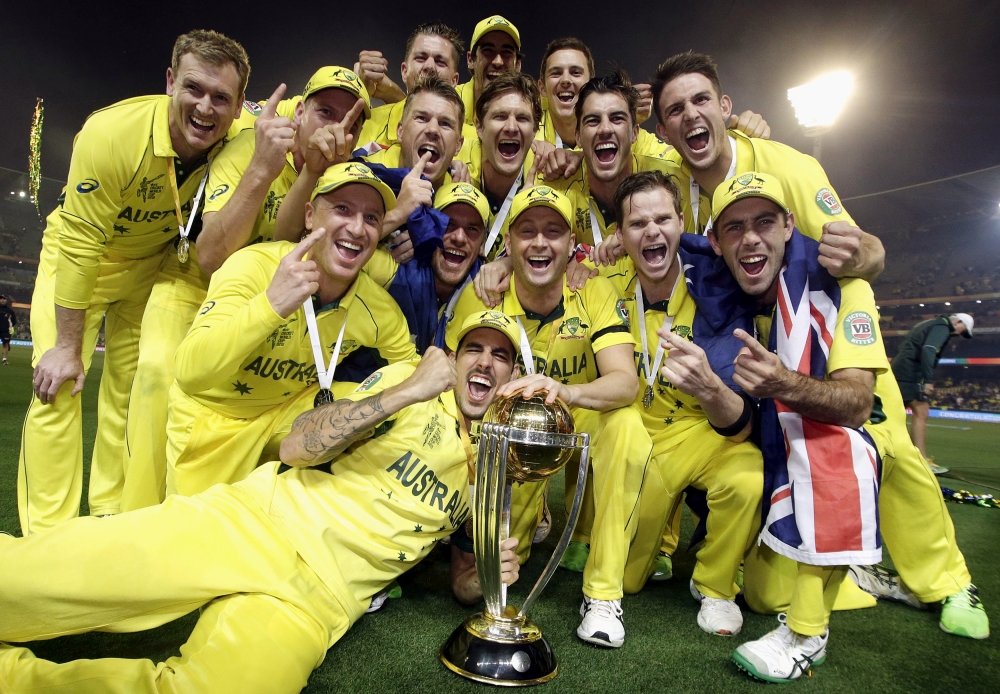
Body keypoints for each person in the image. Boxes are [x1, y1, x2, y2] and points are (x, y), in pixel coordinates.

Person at [0, 310, 523, 694]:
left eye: (501, 356)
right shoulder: (407, 385)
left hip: (317, 603)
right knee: (39, 579)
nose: (485, 363)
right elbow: (298, 446)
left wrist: (487, 579)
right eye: (473, 349)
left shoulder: (498, 466)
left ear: (514, 377)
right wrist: (406, 390)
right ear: (450, 359)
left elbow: (462, 584)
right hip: (257, 523)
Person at [653, 52, 988, 642]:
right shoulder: (676, 178)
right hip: (747, 332)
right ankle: (803, 552)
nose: (690, 116)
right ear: (664, 129)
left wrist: (864, 258)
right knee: (754, 448)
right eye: (674, 109)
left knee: (884, 438)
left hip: (821, 328)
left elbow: (867, 253)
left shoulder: (790, 165)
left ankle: (946, 580)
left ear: (725, 108)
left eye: (701, 100)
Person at [18, 30, 249, 534]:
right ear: (170, 81)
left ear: (237, 108)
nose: (205, 108)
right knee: (59, 383)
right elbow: (80, 243)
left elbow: (294, 115)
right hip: (81, 263)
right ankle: (48, 538)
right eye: (193, 88)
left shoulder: (242, 133)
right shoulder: (111, 133)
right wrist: (67, 345)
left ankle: (108, 519)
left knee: (126, 394)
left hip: (150, 267)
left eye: (220, 98)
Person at [121, 67, 371, 512]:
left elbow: (288, 247)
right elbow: (211, 257)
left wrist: (313, 173)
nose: (335, 127)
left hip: (265, 298)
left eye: (348, 122)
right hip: (195, 286)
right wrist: (262, 168)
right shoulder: (249, 146)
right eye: (324, 111)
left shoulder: (347, 176)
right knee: (161, 373)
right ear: (299, 112)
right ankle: (134, 515)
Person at [446, 186, 649, 633]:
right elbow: (450, 385)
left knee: (626, 424)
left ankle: (602, 595)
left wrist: (566, 391)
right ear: (510, 244)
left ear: (569, 245)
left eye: (553, 232)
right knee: (494, 567)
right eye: (527, 232)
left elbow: (625, 382)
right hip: (504, 432)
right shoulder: (484, 293)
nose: (540, 243)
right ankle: (523, 517)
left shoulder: (592, 290)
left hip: (570, 412)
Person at [577, 170, 762, 644]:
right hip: (640, 438)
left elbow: (740, 422)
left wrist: (708, 387)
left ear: (683, 222)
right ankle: (610, 588)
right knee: (631, 580)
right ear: (620, 235)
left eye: (663, 219)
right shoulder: (604, 285)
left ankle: (716, 585)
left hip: (699, 432)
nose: (653, 231)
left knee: (748, 475)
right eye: (637, 224)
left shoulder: (717, 283)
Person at [165, 163, 416, 497]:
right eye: (343, 209)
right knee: (196, 540)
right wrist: (271, 305)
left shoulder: (377, 307)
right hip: (217, 416)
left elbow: (412, 373)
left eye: (371, 218)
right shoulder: (254, 266)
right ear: (309, 216)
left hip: (288, 413)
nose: (357, 228)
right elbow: (189, 373)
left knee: (383, 408)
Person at [461, 72, 544, 260]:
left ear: (535, 130)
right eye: (500, 116)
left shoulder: (548, 182)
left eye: (522, 118)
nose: (511, 127)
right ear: (479, 127)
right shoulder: (453, 166)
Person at [355, 23, 466, 150]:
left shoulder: (473, 141)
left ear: (454, 80)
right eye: (420, 58)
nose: (429, 66)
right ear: (404, 71)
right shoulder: (366, 125)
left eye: (440, 62)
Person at [891, 313, 973, 473]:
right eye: (963, 330)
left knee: (895, 413)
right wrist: (928, 380)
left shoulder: (931, 323)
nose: (960, 334)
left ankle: (902, 457)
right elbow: (928, 350)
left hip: (902, 370)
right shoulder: (942, 327)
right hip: (910, 373)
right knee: (921, 411)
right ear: (958, 322)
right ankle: (920, 461)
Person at [0, 295, 16, 364]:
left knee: (5, 344)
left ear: (6, 300)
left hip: (5, 331)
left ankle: (4, 359)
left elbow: (14, 321)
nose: (2, 300)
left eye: (4, 299)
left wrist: (9, 328)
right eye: (1, 299)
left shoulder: (10, 311)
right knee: (6, 345)